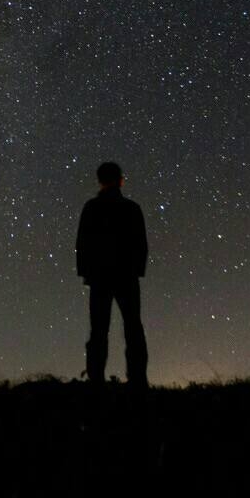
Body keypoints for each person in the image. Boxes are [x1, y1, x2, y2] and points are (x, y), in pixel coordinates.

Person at [75, 161, 148, 391]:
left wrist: (87, 273)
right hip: (126, 276)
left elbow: (82, 243)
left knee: (98, 329)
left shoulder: (92, 208)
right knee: (133, 327)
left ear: (99, 180)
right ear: (121, 180)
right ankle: (137, 380)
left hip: (100, 277)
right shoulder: (131, 208)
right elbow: (141, 244)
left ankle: (96, 380)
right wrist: (136, 270)